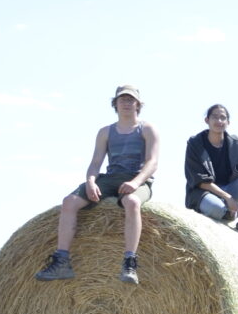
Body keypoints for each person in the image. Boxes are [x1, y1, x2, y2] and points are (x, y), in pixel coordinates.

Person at [35, 84, 159, 285]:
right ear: (115, 104)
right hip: (110, 178)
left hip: (138, 178)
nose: (127, 103)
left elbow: (152, 163)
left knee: (132, 203)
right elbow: (95, 164)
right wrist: (91, 182)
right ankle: (62, 260)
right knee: (69, 201)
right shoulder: (105, 132)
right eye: (123, 99)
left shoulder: (147, 129)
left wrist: (135, 182)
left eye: (131, 100)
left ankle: (130, 262)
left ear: (138, 104)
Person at [183, 104, 238, 244]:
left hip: (230, 191)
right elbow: (200, 181)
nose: (219, 121)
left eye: (223, 118)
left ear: (228, 123)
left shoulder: (237, 144)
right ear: (207, 120)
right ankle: (222, 215)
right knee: (216, 208)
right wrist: (228, 198)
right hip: (204, 193)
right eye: (215, 117)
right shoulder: (195, 144)